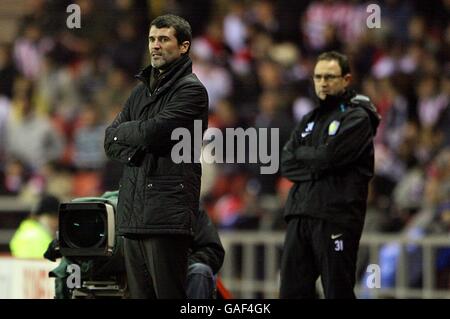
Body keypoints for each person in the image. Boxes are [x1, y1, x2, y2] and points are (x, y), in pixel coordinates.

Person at [104, 14, 209, 299]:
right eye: (152, 39)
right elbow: (109, 141)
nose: (155, 46)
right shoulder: (139, 92)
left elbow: (154, 132)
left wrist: (131, 134)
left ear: (184, 46)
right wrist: (138, 135)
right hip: (134, 213)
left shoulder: (191, 90)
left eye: (164, 39)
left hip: (166, 214)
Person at [279, 51, 381, 299]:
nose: (323, 83)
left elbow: (328, 157)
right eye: (318, 77)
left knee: (337, 290)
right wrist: (318, 160)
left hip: (336, 215)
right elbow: (286, 163)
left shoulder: (357, 118)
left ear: (346, 80)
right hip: (300, 213)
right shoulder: (308, 119)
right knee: (291, 292)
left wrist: (311, 158)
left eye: (330, 77)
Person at [187, 208, 225, 299]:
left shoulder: (192, 207)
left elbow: (213, 251)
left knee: (199, 271)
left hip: (187, 271)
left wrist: (181, 266)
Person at [10, 194, 60, 258]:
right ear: (39, 216)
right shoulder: (37, 236)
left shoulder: (26, 230)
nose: (56, 222)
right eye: (53, 216)